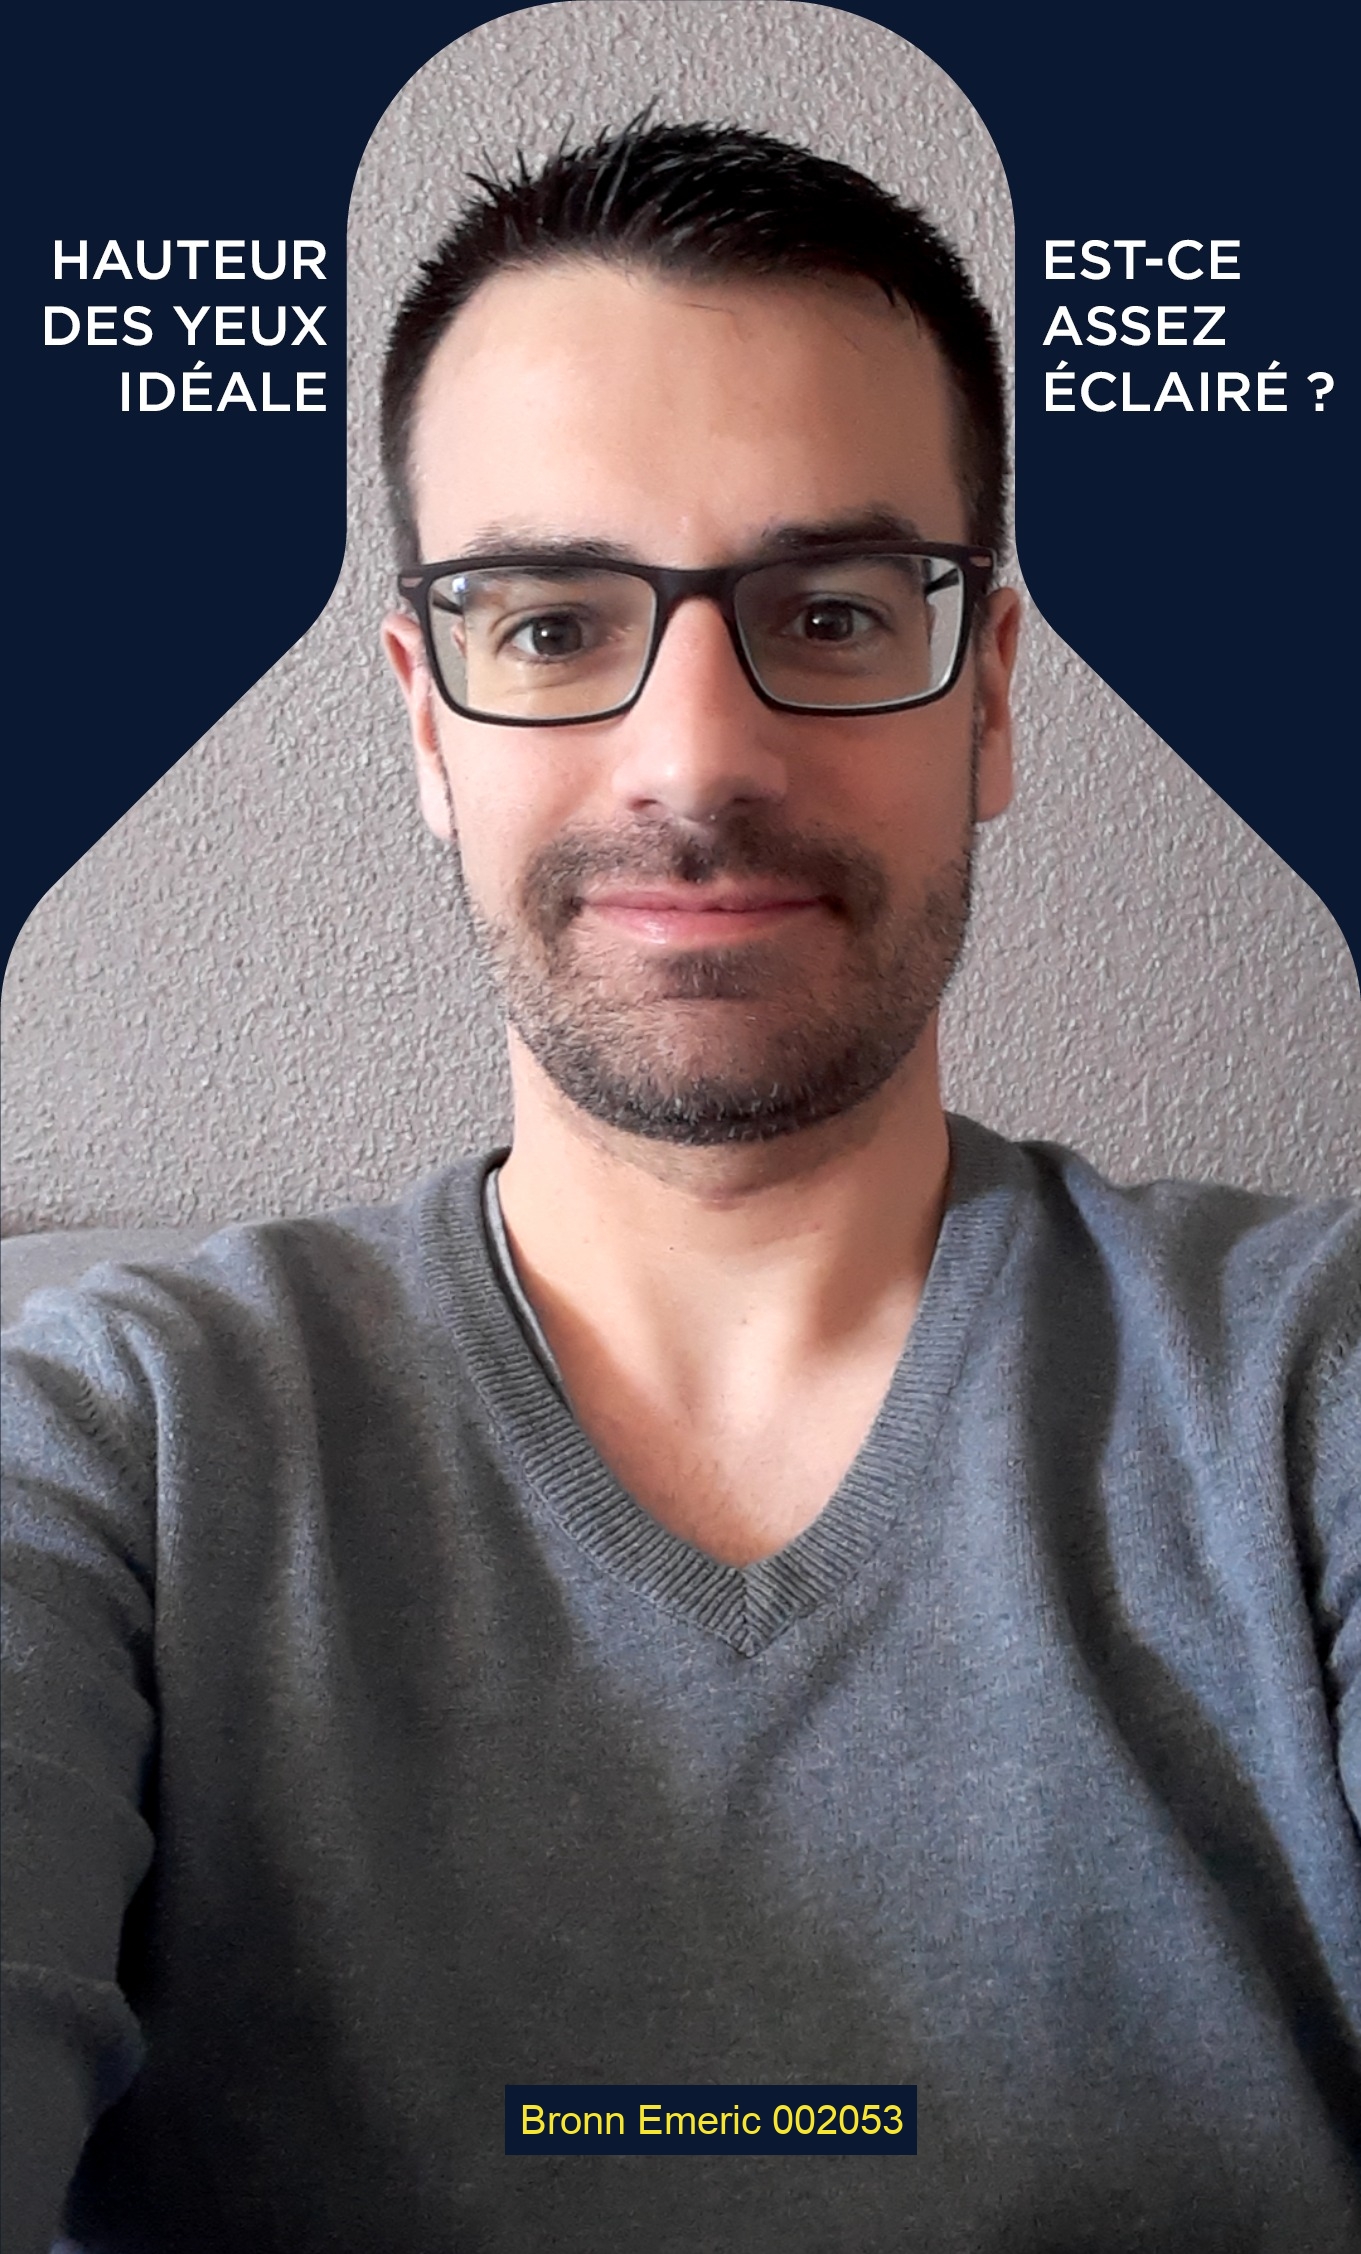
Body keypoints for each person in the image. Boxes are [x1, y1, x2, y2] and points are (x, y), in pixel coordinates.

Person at [2, 117, 1357, 2254]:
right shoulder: (117, 1443)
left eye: (832, 611)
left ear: (990, 696)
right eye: (552, 622)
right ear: (428, 724)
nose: (698, 757)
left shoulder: (1311, 1390)